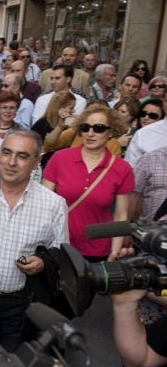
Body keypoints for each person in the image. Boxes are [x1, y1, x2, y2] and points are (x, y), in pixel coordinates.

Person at [0, 131, 68, 352]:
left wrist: (42, 262)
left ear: (37, 161)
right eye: (6, 152)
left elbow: (61, 252)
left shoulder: (54, 204)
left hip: (20, 306)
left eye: (22, 156)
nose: (11, 162)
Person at [42, 106, 134, 263]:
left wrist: (114, 251)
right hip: (58, 245)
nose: (90, 134)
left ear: (111, 132)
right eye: (85, 128)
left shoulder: (122, 168)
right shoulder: (60, 158)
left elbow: (121, 215)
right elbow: (43, 202)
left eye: (98, 128)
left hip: (98, 250)